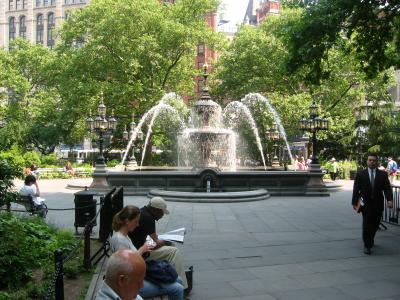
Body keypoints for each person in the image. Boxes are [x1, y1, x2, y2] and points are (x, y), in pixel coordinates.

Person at [110, 205, 184, 300]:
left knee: (178, 279)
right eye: (136, 221)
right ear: (127, 221)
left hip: (136, 278)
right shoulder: (119, 240)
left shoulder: (125, 236)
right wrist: (142, 249)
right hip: (129, 285)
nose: (138, 225)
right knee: (178, 289)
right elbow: (125, 266)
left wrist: (145, 248)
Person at [129, 197, 188, 290]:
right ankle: (183, 286)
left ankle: (170, 274)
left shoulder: (143, 212)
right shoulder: (148, 218)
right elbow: (154, 244)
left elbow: (152, 238)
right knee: (174, 251)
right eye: (162, 213)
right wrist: (166, 240)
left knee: (171, 246)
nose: (162, 215)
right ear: (156, 210)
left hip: (139, 247)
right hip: (141, 253)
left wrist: (164, 240)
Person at [352, 153, 393, 255]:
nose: (372, 162)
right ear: (367, 161)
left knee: (375, 224)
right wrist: (354, 202)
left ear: (377, 162)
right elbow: (356, 189)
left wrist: (389, 200)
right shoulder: (361, 174)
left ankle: (370, 238)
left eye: (374, 160)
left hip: (378, 203)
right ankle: (367, 245)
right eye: (370, 160)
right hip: (365, 204)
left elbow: (387, 188)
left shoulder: (382, 174)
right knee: (367, 224)